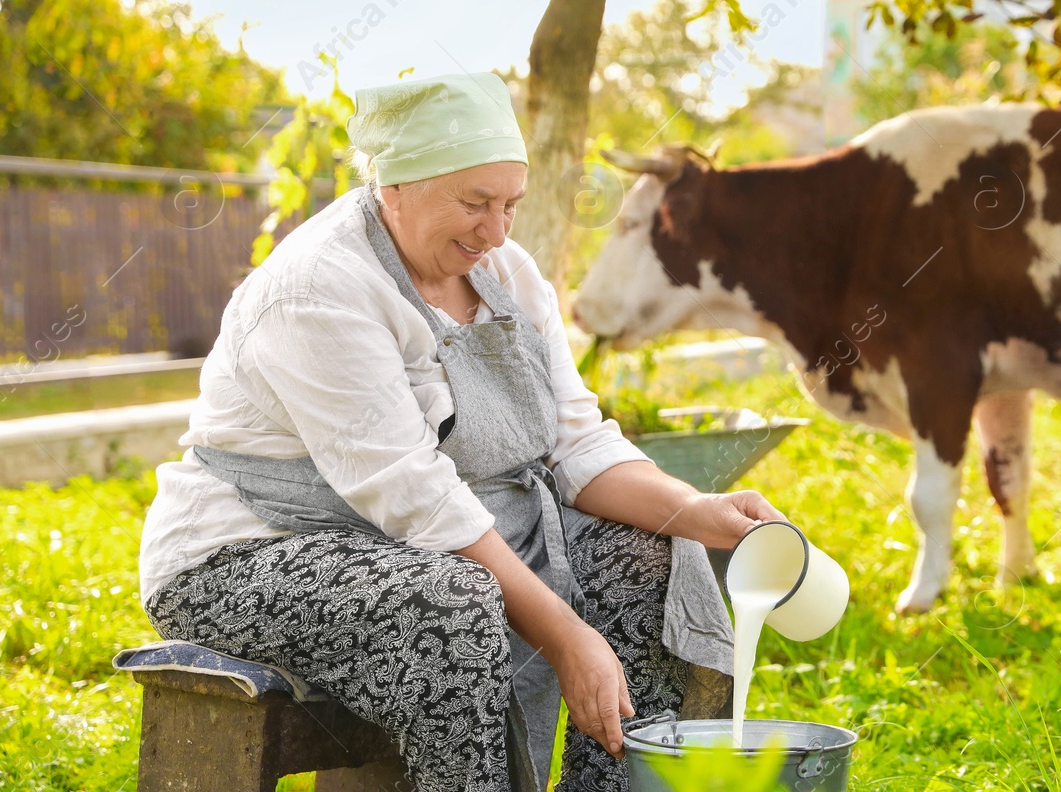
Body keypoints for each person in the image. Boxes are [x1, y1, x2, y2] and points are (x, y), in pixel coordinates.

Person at [136, 72, 782, 792]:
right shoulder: (319, 289)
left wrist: (696, 510)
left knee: (649, 560)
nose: (497, 230)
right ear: (396, 187)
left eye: (510, 204)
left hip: (432, 542)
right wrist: (565, 637)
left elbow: (575, 442)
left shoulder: (505, 271)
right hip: (247, 554)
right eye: (475, 203)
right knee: (453, 604)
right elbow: (418, 498)